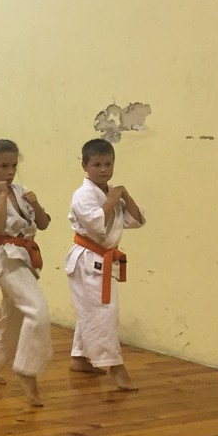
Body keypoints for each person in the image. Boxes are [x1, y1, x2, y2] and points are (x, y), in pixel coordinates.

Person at [0, 139, 52, 405]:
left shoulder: (21, 190)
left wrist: (36, 205)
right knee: (37, 310)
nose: (10, 171)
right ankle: (27, 369)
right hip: (5, 258)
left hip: (24, 256)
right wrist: (3, 196)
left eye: (13, 166)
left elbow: (43, 223)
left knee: (14, 317)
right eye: (3, 166)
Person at [66, 138, 145, 391]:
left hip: (101, 259)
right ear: (85, 166)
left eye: (108, 164)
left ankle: (80, 357)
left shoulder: (111, 192)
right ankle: (115, 367)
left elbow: (137, 220)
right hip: (88, 258)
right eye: (97, 164)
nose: (103, 169)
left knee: (92, 310)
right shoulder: (83, 195)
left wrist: (124, 194)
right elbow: (97, 225)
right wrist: (112, 197)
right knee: (104, 312)